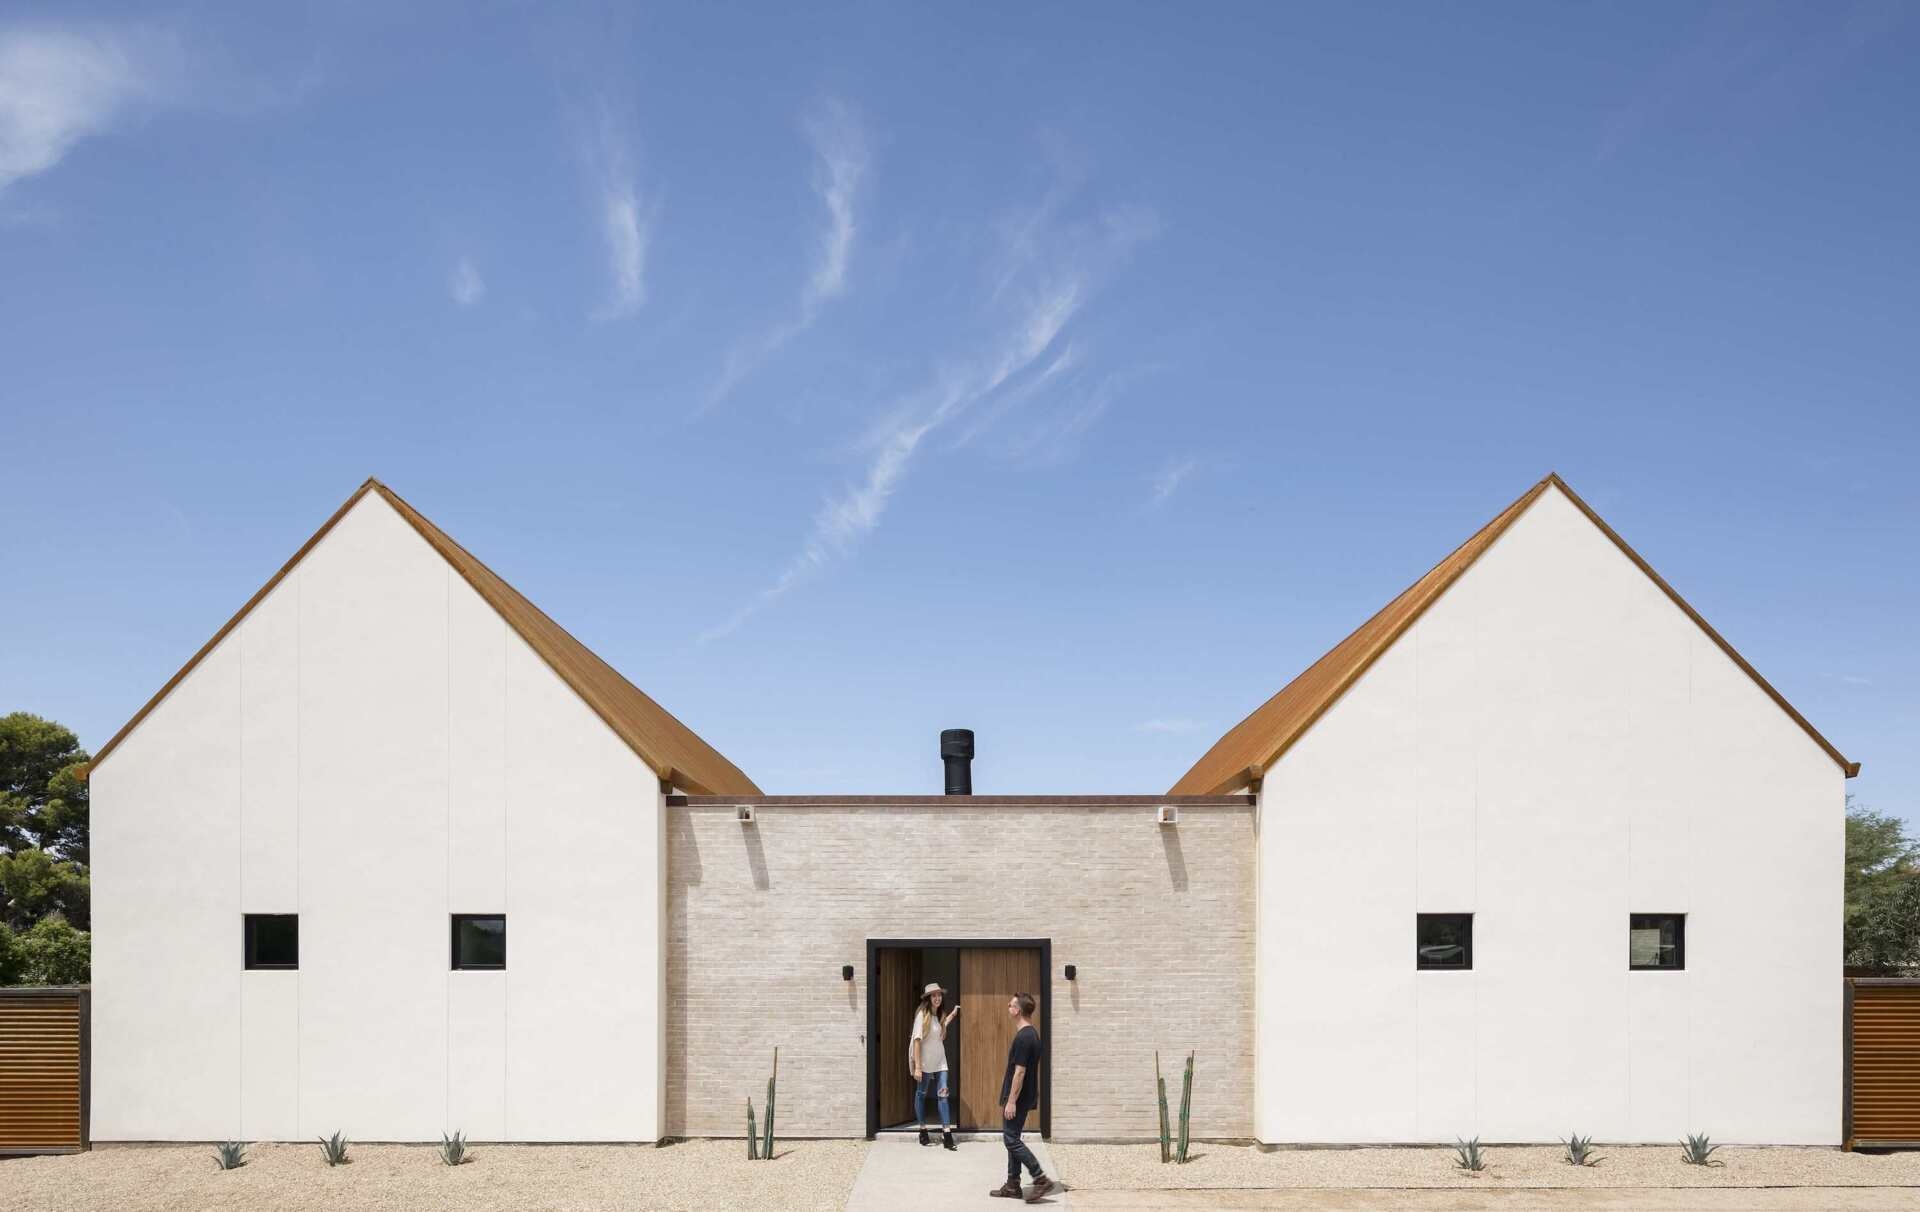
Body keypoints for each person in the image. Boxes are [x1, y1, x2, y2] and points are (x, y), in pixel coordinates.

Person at [990, 992, 1055, 1202]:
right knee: (1013, 1138)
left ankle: (1040, 1178)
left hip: (1018, 1098)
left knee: (1010, 1138)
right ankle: (1012, 1184)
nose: (1008, 1005)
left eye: (1011, 1004)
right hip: (1022, 1096)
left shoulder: (1025, 1037)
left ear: (1017, 1010)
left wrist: (1011, 1101)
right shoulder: (1031, 1035)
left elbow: (1020, 1072)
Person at [909, 981, 959, 1149]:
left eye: (939, 995)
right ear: (928, 998)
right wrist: (917, 1067)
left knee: (943, 1095)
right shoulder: (922, 1016)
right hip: (924, 1064)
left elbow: (943, 1026)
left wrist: (953, 1013)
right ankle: (923, 1129)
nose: (937, 998)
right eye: (934, 995)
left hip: (940, 1063)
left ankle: (947, 1135)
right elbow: (917, 1041)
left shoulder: (940, 1016)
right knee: (921, 1095)